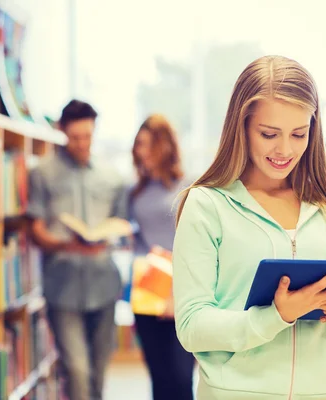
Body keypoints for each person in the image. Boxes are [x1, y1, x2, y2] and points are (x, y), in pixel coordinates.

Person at [172, 55, 326, 400]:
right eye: (269, 134)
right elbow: (192, 326)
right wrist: (276, 316)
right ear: (242, 126)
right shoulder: (207, 205)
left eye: (299, 134)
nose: (285, 150)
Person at [27, 99, 128, 400]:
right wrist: (65, 244)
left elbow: (121, 225)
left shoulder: (112, 177)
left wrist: (107, 237)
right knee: (78, 371)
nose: (82, 144)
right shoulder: (42, 173)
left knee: (98, 373)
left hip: (104, 285)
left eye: (87, 136)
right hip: (63, 287)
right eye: (75, 138)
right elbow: (35, 229)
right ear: (62, 132)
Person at [128, 114, 195, 400]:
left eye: (147, 144)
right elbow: (136, 239)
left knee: (181, 378)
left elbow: (196, 244)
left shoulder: (190, 186)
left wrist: (175, 293)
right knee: (158, 377)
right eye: (138, 145)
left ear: (165, 145)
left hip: (180, 291)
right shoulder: (135, 191)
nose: (141, 152)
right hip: (146, 291)